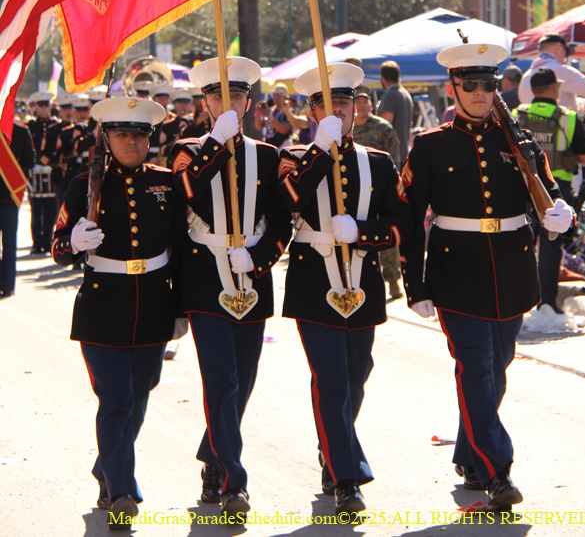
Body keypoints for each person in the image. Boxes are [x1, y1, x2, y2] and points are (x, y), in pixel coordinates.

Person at [400, 40, 573, 510]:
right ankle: (498, 472)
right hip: (456, 273)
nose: (479, 92)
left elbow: (548, 192)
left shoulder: (517, 141)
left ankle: (468, 451)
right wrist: (413, 285)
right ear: (453, 87)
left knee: (495, 372)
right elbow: (408, 218)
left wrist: (560, 214)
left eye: (487, 84)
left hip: (512, 272)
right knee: (475, 369)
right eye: (470, 84)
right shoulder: (430, 146)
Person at [51, 96, 188, 528]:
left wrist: (181, 308)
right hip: (101, 305)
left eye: (140, 135)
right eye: (122, 135)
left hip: (152, 304)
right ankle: (121, 492)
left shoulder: (167, 182)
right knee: (116, 400)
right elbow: (57, 247)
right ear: (106, 139)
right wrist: (74, 242)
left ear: (151, 139)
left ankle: (106, 470)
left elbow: (181, 250)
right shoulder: (84, 184)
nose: (132, 142)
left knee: (140, 396)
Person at [278, 63, 407, 517]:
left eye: (345, 105)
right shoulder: (294, 157)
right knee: (331, 379)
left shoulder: (377, 161)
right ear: (312, 112)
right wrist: (319, 150)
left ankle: (331, 447)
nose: (339, 112)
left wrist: (365, 232)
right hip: (314, 279)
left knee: (356, 376)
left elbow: (401, 225)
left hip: (362, 280)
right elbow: (287, 199)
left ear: (357, 108)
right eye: (327, 106)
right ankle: (347, 478)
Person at [170, 58, 292, 519]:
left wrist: (260, 259)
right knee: (220, 379)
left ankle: (213, 458)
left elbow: (281, 221)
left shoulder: (266, 154)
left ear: (248, 102)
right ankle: (233, 482)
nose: (229, 104)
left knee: (242, 383)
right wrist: (215, 145)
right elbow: (186, 191)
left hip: (251, 277)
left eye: (237, 96)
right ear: (205, 102)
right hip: (204, 276)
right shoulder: (187, 148)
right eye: (219, 96)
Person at [516, 68, 585, 312]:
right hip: (556, 192)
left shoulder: (516, 114)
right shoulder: (568, 117)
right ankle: (546, 303)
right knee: (550, 247)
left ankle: (519, 300)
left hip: (522, 189)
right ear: (554, 89)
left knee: (519, 243)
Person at [352, 86, 403, 300]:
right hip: (356, 191)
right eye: (358, 102)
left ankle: (392, 282)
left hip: (380, 190)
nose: (362, 105)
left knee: (385, 235)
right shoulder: (348, 128)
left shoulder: (382, 127)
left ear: (371, 105)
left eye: (365, 102)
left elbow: (394, 158)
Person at [519, 34, 585, 111]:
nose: (566, 57)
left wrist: (582, 105)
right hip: (561, 125)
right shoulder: (560, 70)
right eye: (566, 51)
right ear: (558, 47)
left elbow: (562, 99)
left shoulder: (526, 76)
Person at [0, 120, 34, 297]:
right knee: (9, 243)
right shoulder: (21, 131)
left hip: (9, 195)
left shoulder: (21, 131)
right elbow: (30, 162)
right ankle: (7, 286)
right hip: (10, 194)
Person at [27, 91, 60, 254]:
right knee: (36, 209)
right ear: (36, 107)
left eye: (46, 105)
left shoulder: (57, 125)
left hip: (51, 171)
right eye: (40, 106)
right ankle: (36, 242)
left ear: (50, 106)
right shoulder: (30, 125)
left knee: (51, 210)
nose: (44, 109)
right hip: (34, 172)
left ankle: (47, 241)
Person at [377, 60, 413, 163]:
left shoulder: (390, 96)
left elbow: (385, 127)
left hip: (392, 156)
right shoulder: (406, 94)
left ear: (382, 78)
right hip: (403, 153)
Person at [265, 84, 292, 148]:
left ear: (284, 97)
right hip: (271, 148)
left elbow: (284, 129)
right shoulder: (272, 110)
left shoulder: (288, 111)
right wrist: (258, 113)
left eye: (277, 95)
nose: (274, 97)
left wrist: (270, 117)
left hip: (283, 148)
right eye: (273, 95)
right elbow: (259, 126)